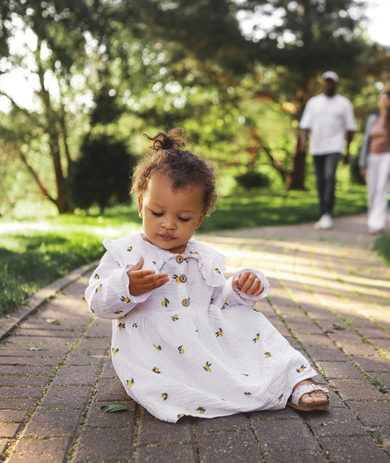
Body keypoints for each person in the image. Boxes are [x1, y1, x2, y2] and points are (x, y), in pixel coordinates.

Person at [85, 129, 329, 423]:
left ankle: (293, 380)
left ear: (199, 218)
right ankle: (207, 388)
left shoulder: (204, 257)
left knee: (249, 320)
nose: (168, 225)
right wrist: (127, 287)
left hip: (206, 337)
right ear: (141, 206)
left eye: (183, 218)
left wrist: (238, 290)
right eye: (157, 213)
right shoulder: (125, 252)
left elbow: (216, 303)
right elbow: (97, 303)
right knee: (179, 383)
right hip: (157, 351)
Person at [299, 71, 357, 230]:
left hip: (335, 146)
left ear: (336, 85)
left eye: (331, 82)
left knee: (329, 176)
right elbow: (305, 125)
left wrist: (348, 150)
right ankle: (323, 212)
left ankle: (327, 213)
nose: (328, 85)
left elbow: (350, 128)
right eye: (326, 82)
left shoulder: (344, 104)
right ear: (322, 84)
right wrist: (303, 142)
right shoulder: (314, 102)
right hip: (317, 147)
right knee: (320, 180)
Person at [357, 89, 390, 234]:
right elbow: (366, 141)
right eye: (381, 99)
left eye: (386, 100)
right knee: (372, 191)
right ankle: (373, 220)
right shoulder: (372, 119)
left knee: (381, 190)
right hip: (372, 158)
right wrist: (362, 163)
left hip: (386, 158)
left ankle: (377, 224)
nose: (383, 102)